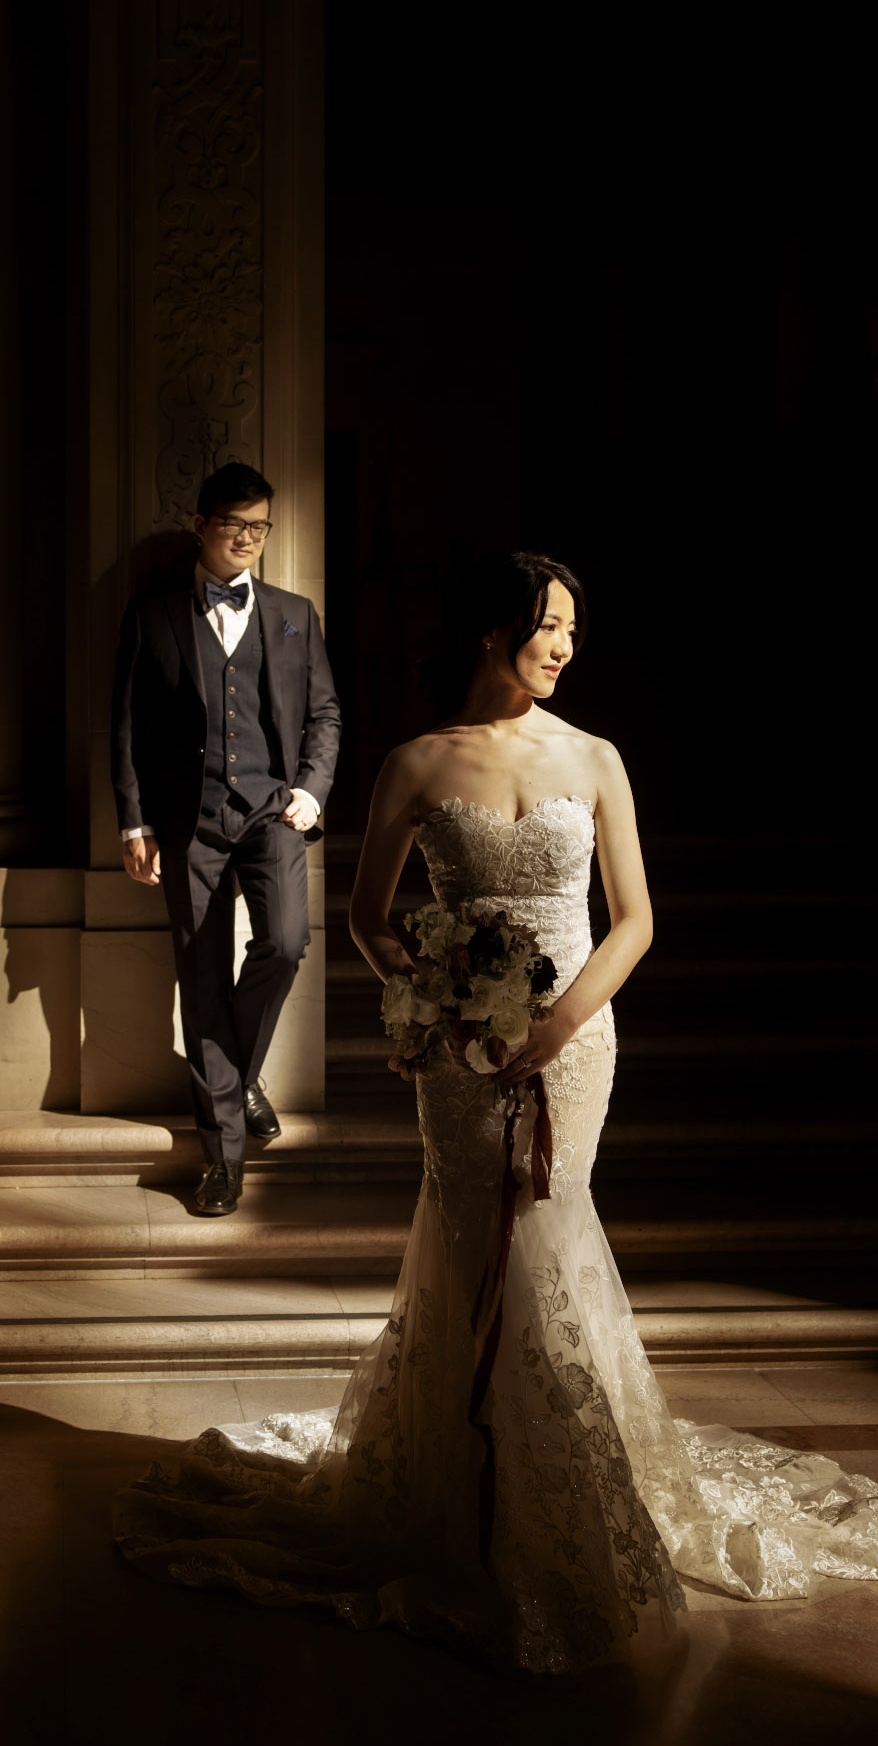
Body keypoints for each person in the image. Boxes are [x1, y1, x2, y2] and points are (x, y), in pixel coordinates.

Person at [114, 550, 878, 1673]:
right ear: (489, 631)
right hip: (458, 1050)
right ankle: (460, 1491)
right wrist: (429, 998)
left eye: (573, 628)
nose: (564, 645)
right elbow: (370, 916)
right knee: (473, 1238)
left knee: (553, 1223)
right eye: (547, 625)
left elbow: (634, 922)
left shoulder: (597, 757)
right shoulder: (415, 763)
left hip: (574, 1039)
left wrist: (558, 1023)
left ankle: (557, 1490)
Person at [110, 463, 341, 1215]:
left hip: (273, 813)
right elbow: (127, 729)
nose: (248, 539)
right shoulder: (153, 617)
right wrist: (134, 819)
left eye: (260, 527)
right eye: (235, 525)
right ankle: (223, 1159)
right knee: (201, 975)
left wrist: (310, 789)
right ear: (202, 525)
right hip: (188, 821)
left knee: (285, 943)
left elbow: (325, 716)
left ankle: (234, 1079)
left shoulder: (294, 613)